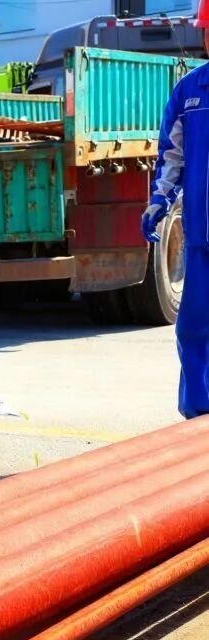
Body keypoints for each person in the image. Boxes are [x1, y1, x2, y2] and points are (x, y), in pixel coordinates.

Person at [142, 0, 209, 420]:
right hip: (203, 237)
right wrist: (159, 200)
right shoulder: (190, 90)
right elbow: (172, 154)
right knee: (192, 328)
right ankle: (198, 418)